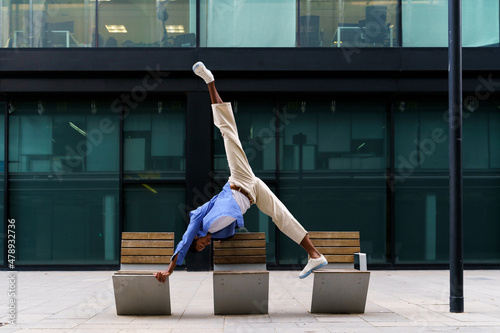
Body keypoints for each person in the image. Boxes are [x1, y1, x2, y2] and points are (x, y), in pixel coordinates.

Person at [154, 62, 327, 283]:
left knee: (228, 132)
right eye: (204, 245)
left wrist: (169, 269)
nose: (206, 243)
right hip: (252, 191)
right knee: (280, 215)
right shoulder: (217, 233)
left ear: (196, 238)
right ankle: (315, 255)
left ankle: (210, 81)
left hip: (239, 181)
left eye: (201, 244)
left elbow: (184, 241)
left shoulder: (199, 220)